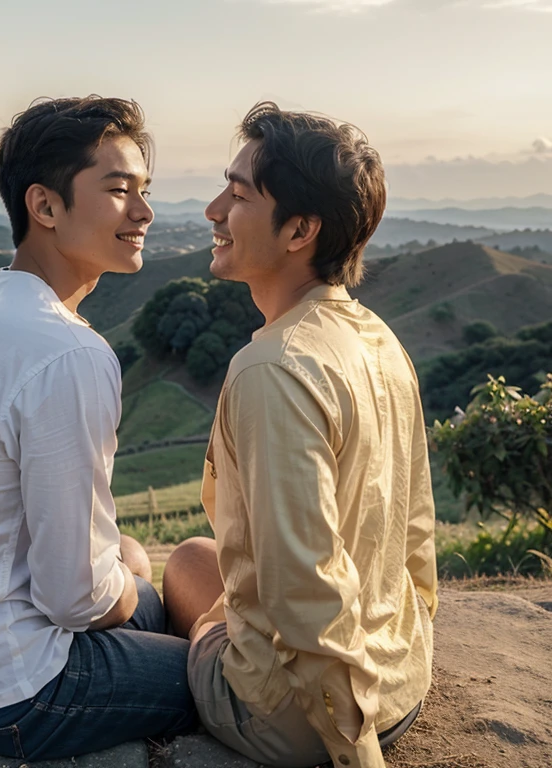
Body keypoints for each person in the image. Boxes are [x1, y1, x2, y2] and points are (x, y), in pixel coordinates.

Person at [0, 96, 197, 762]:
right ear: (45, 207)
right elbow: (74, 595)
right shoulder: (68, 353)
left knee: (133, 565)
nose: (143, 213)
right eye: (117, 190)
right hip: (10, 692)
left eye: (144, 190)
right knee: (235, 680)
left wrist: (124, 588)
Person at [163, 103, 438, 768]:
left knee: (184, 593)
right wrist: (407, 647)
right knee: (195, 559)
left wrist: (356, 754)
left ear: (299, 230)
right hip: (400, 678)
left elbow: (305, 592)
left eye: (237, 194)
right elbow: (416, 530)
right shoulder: (376, 337)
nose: (212, 211)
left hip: (304, 724)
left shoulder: (272, 370)